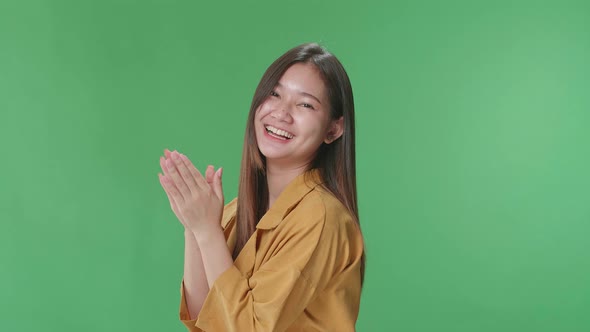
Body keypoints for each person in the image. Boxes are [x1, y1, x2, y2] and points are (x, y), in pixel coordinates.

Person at [158, 43, 365, 331]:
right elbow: (203, 321)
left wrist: (206, 231)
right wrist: (194, 227)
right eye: (274, 94)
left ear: (334, 129)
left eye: (305, 104)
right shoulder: (236, 210)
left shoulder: (322, 216)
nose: (282, 113)